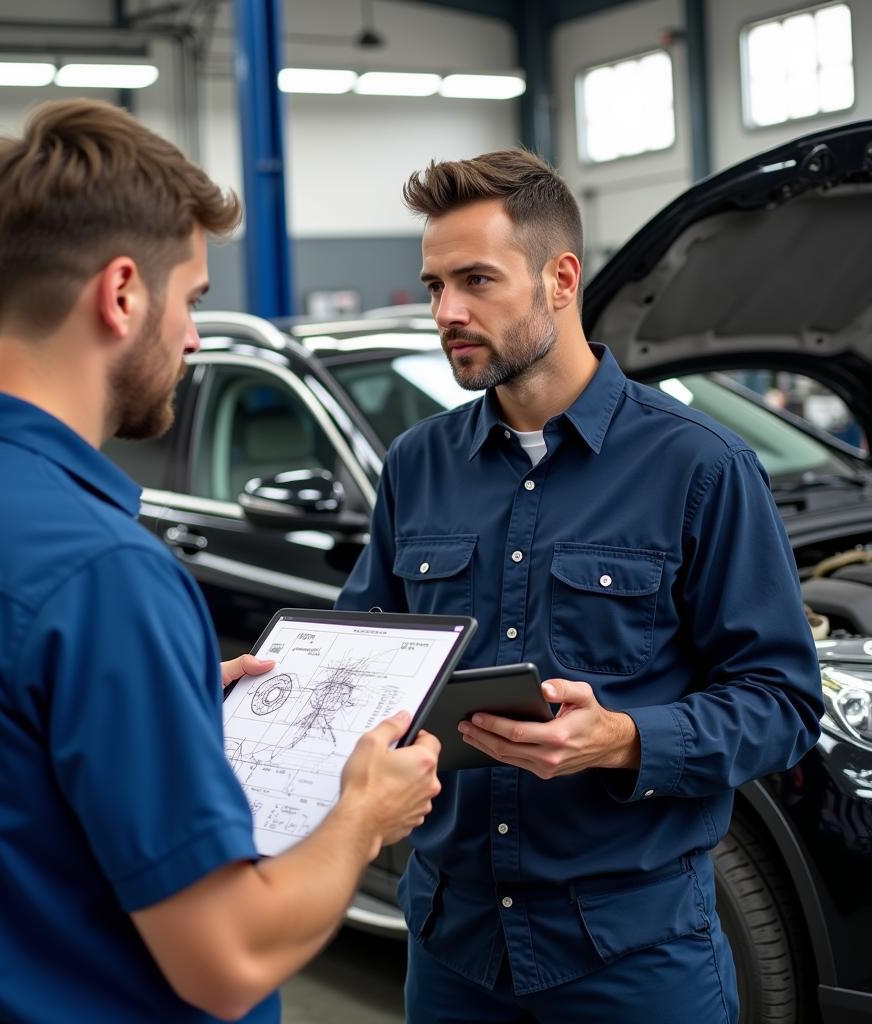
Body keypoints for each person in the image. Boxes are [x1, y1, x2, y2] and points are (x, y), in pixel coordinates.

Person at [0, 99, 441, 1023]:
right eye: (194, 298)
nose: (195, 337)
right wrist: (365, 812)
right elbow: (228, 957)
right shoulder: (100, 571)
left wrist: (125, 714)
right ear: (123, 293)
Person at [336, 148, 824, 1023]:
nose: (447, 312)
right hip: (454, 952)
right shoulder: (416, 466)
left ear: (560, 278)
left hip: (632, 961)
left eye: (477, 280)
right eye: (436, 284)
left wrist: (627, 738)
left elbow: (782, 704)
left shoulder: (700, 468)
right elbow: (364, 655)